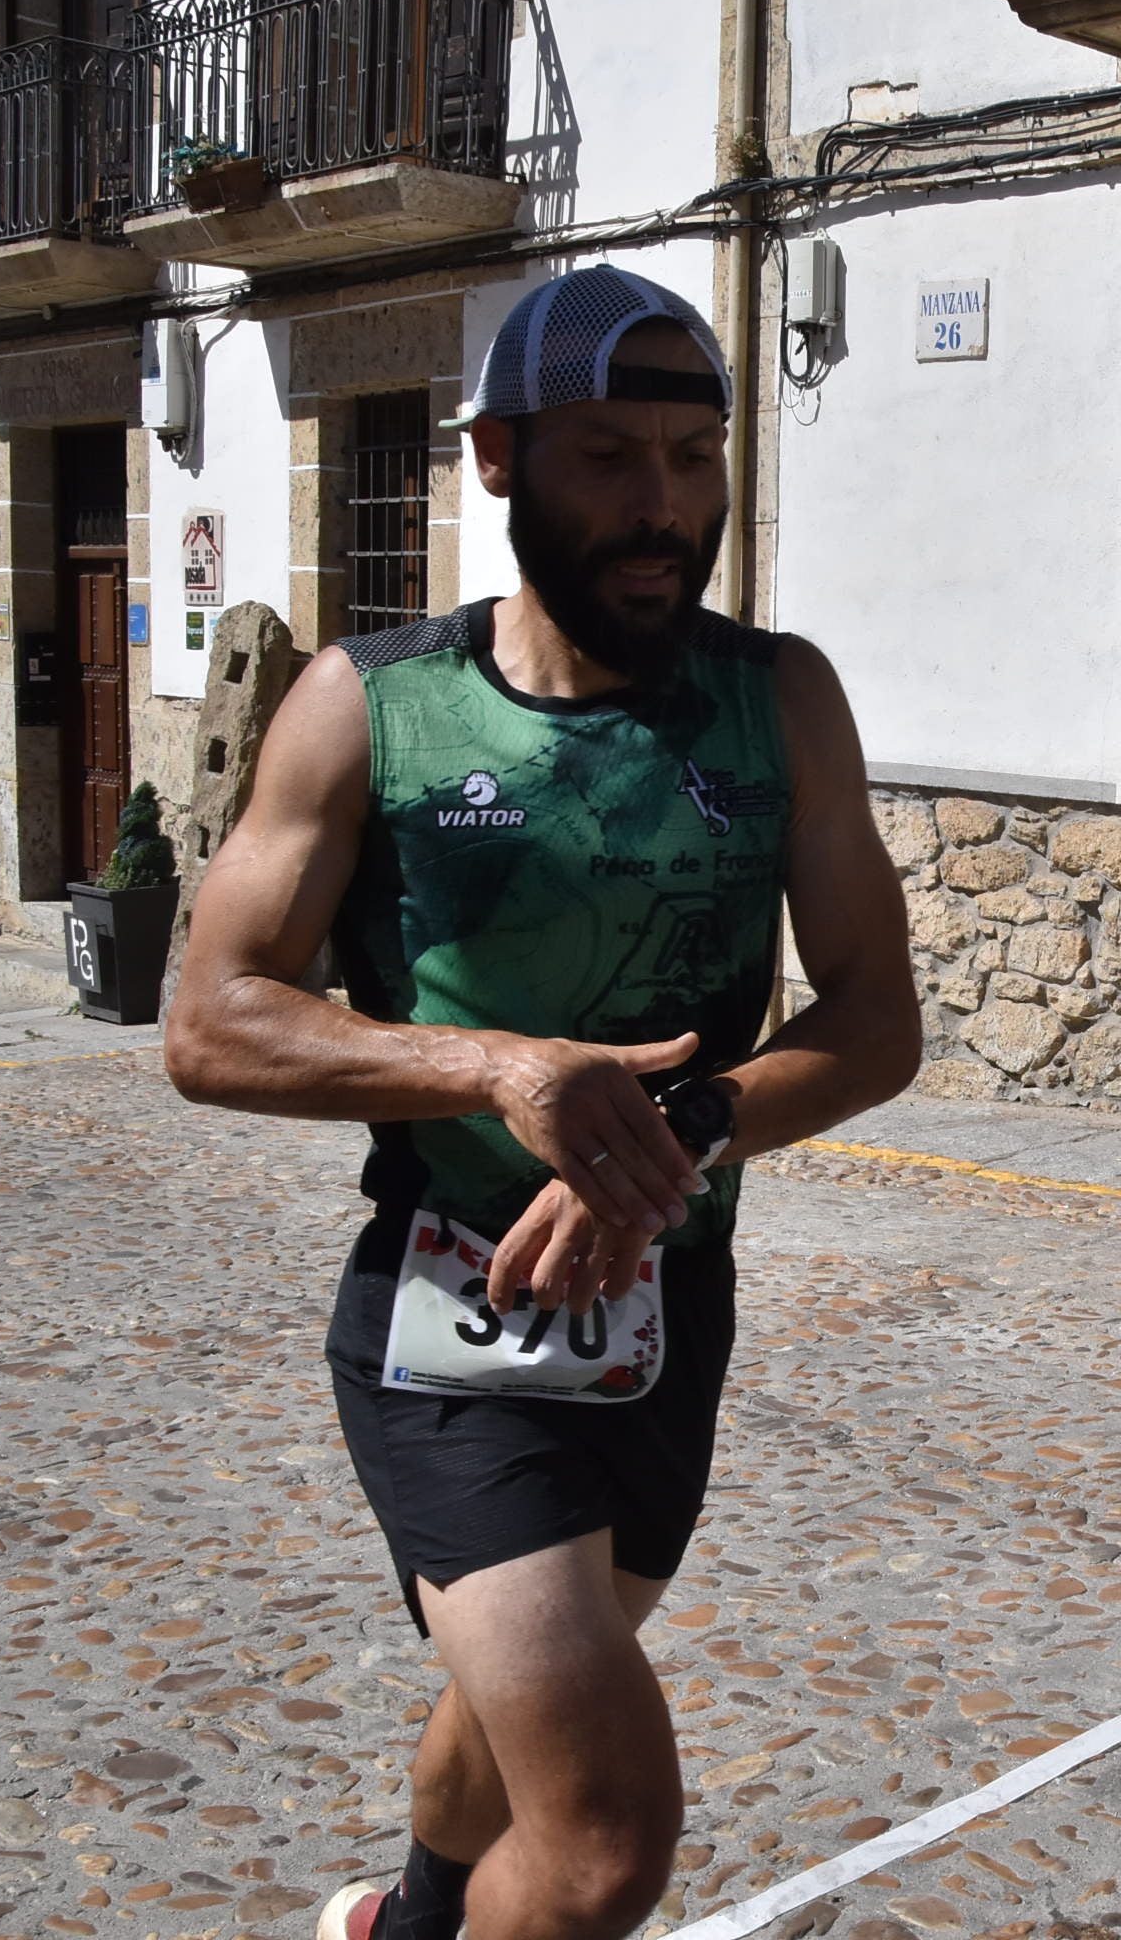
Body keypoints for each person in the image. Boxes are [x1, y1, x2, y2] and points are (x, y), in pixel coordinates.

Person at [164, 266, 920, 1940]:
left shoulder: (779, 698)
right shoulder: (374, 704)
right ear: (498, 457)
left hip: (665, 1306)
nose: (665, 507)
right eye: (609, 458)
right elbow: (212, 1021)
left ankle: (406, 1921)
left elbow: (876, 1022)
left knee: (507, 1720)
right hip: (450, 1311)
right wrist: (501, 1068)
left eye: (696, 458)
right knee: (599, 1841)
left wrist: (682, 1134)